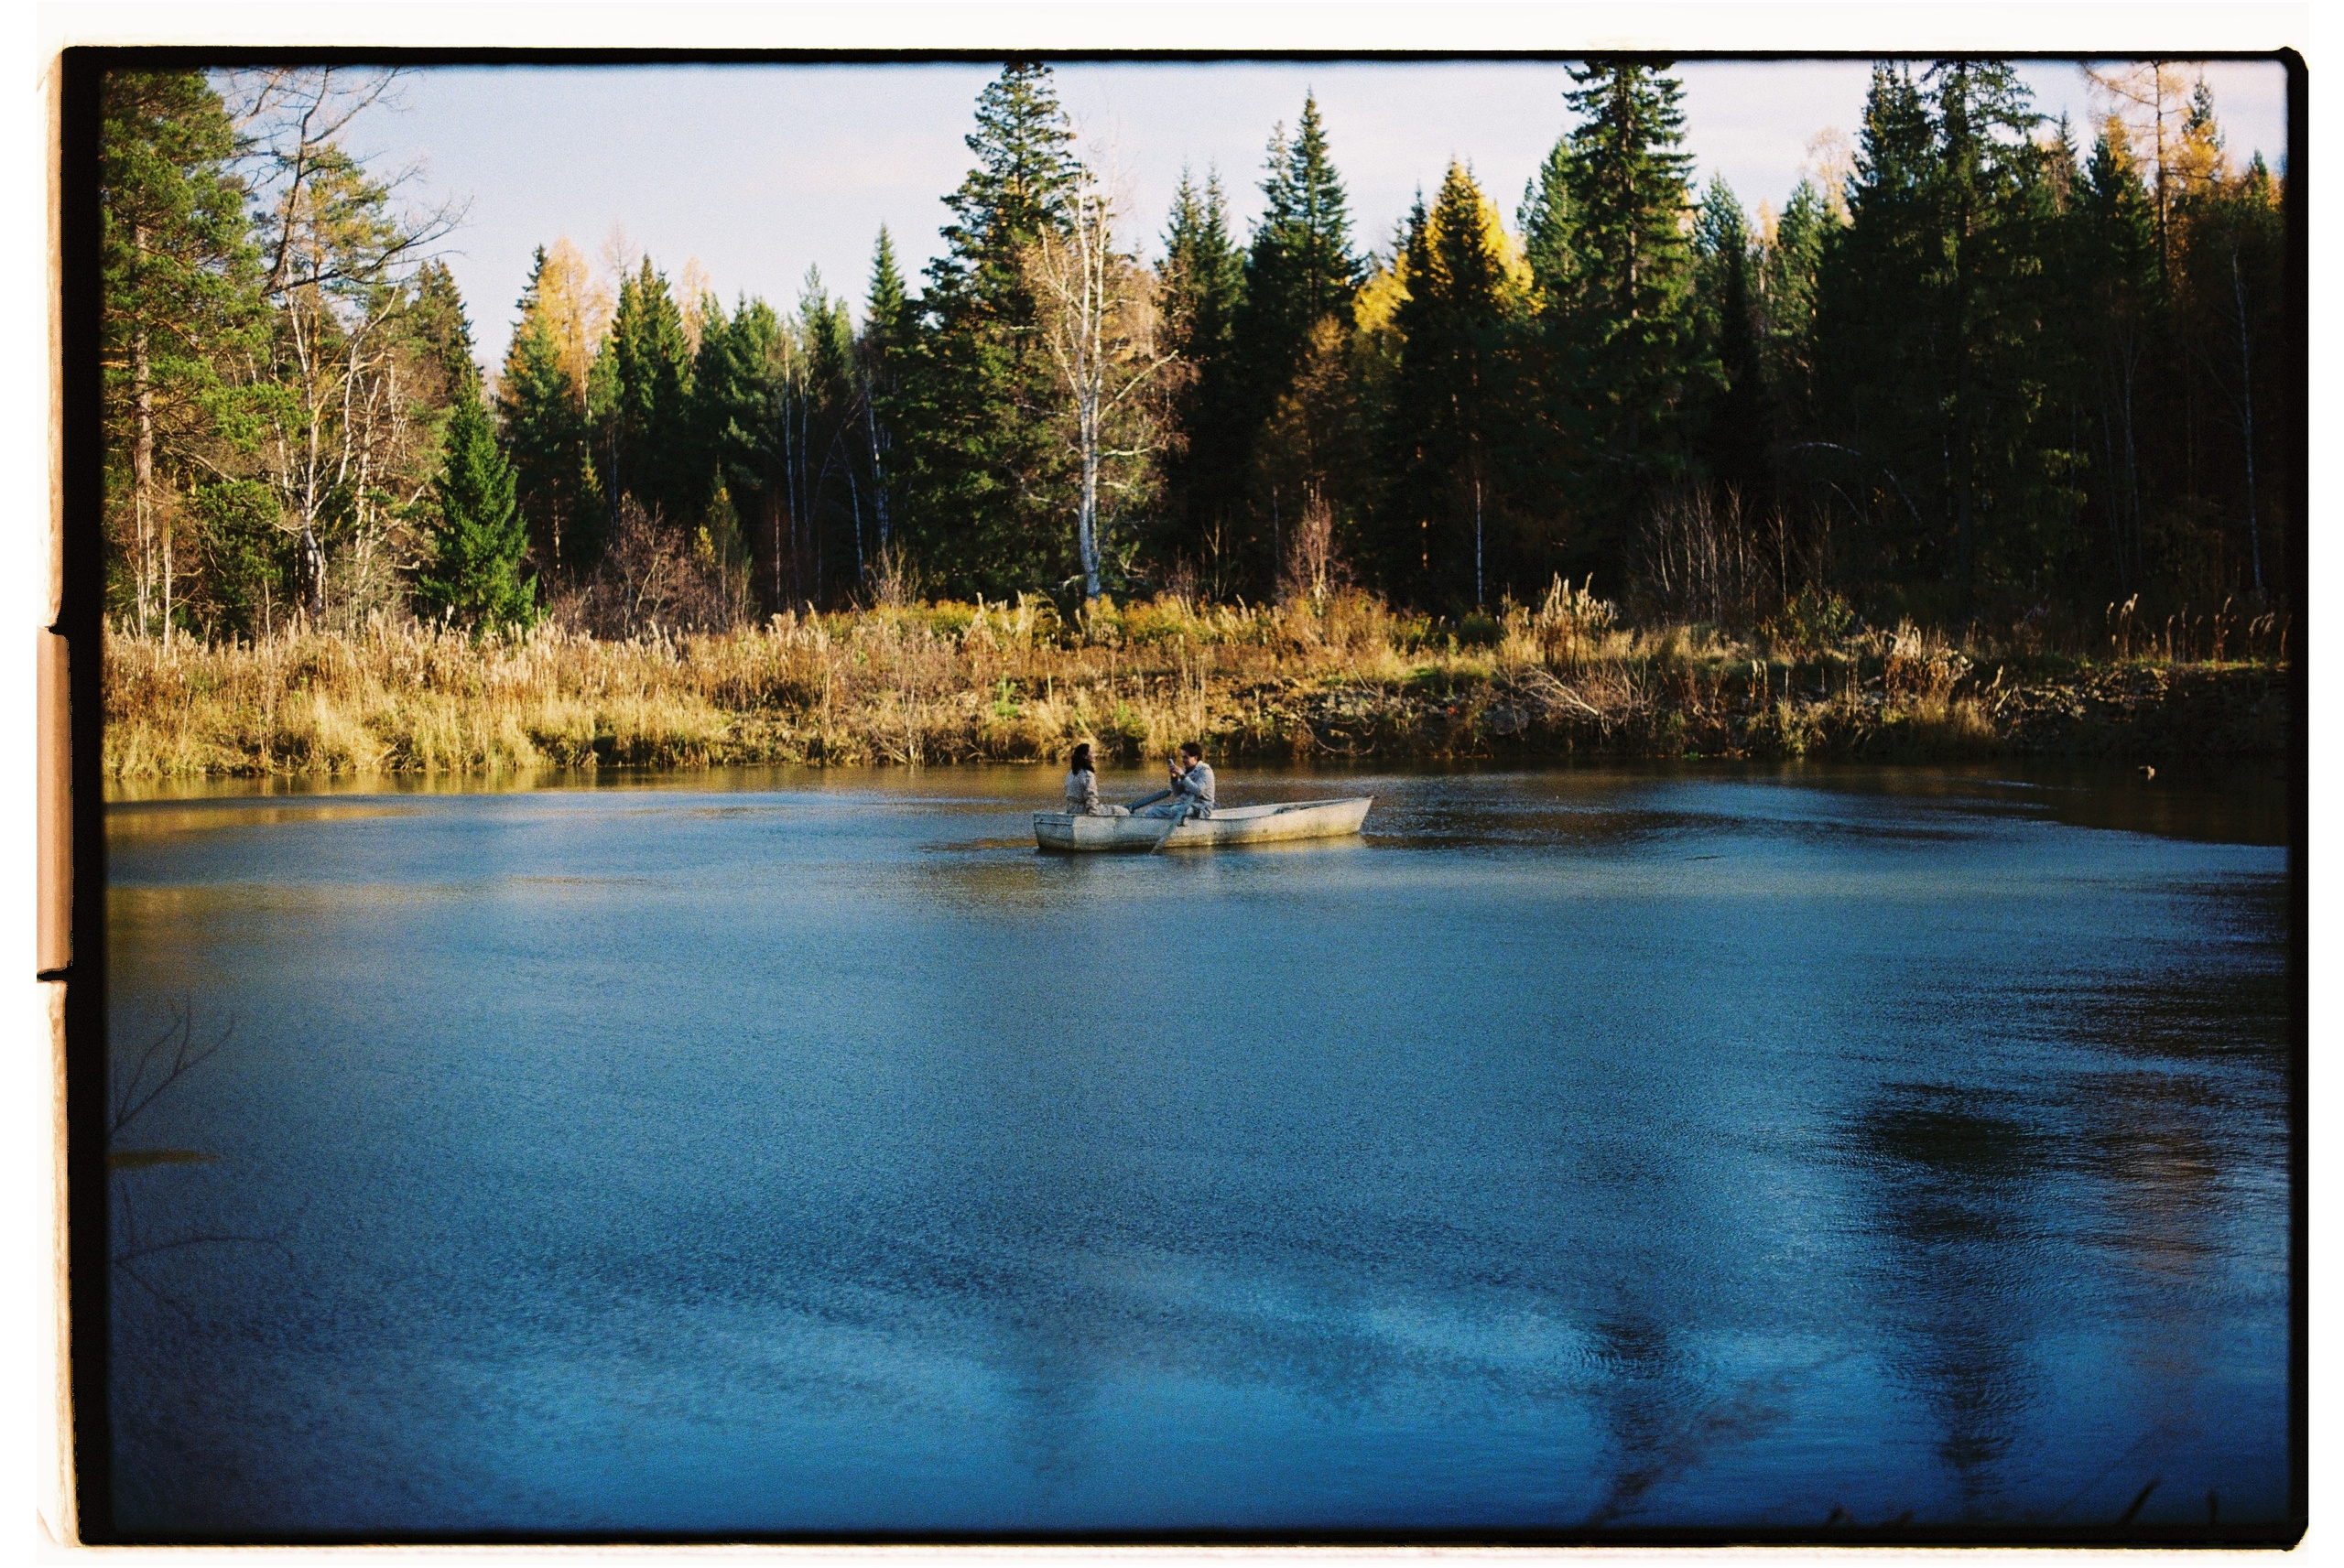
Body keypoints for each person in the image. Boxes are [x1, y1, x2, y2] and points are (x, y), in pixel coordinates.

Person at [1133, 741, 1215, 819]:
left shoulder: (1205, 771)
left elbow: (1198, 791)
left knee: (1175, 810)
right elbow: (1178, 793)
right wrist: (1174, 778)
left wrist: (1182, 776)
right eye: (1182, 757)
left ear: (1195, 757)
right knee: (1152, 811)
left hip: (1201, 808)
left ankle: (1184, 824)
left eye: (1185, 757)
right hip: (1183, 805)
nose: (1183, 760)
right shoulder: (1186, 771)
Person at [1062, 742, 1128, 816]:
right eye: (1092, 753)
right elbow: (1091, 797)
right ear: (1085, 756)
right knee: (1122, 811)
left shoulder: (1070, 774)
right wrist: (1093, 814)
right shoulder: (1088, 775)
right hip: (1084, 811)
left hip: (1072, 810)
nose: (1095, 755)